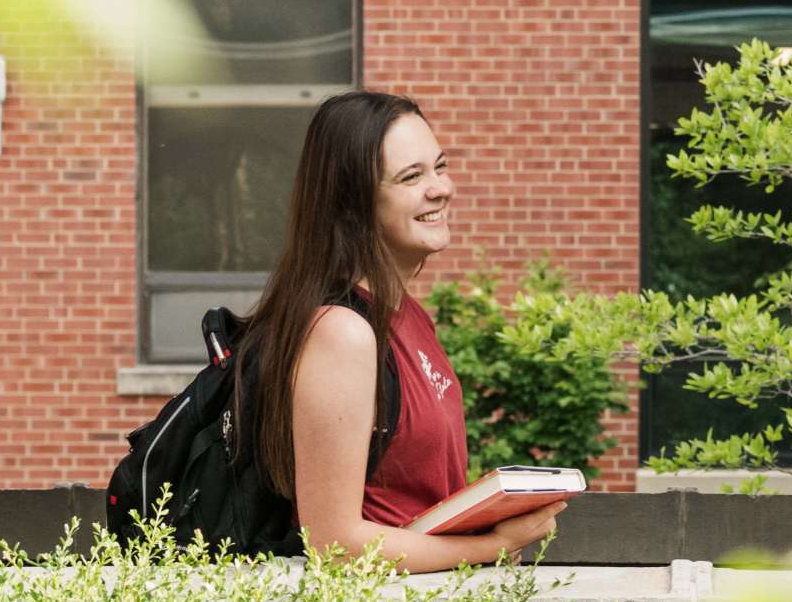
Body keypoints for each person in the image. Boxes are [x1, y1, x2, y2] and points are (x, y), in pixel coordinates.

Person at [236, 90, 563, 573]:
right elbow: (336, 545)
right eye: (412, 177)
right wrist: (492, 546)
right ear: (353, 205)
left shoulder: (405, 315)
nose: (440, 189)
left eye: (440, 166)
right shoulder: (342, 333)